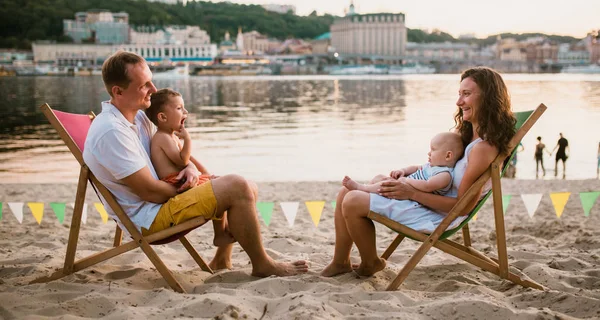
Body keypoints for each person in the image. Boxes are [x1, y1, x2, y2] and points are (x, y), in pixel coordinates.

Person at [83, 51, 308, 277]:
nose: (153, 89)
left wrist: (190, 168)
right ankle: (263, 264)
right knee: (238, 186)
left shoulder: (139, 118)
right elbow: (149, 191)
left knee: (249, 186)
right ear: (118, 91)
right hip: (150, 217)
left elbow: (173, 150)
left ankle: (222, 259)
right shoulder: (112, 132)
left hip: (161, 201)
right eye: (144, 85)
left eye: (151, 80)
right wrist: (188, 187)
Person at [321, 67, 515, 277]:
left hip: (437, 214)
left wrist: (411, 193)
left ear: (488, 98)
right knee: (344, 193)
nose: (459, 102)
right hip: (425, 199)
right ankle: (340, 262)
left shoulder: (482, 149)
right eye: (459, 94)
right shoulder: (465, 136)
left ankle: (371, 263)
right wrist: (408, 178)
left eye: (466, 94)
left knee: (352, 201)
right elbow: (435, 169)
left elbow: (463, 207)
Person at [145, 87, 232, 247]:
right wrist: (188, 140)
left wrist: (202, 171)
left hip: (182, 181)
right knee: (223, 189)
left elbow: (187, 161)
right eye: (179, 108)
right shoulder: (162, 138)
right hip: (176, 183)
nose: (185, 112)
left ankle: (221, 233)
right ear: (163, 117)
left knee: (220, 183)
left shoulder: (170, 136)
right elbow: (182, 161)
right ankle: (220, 234)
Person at [342, 132, 464, 196]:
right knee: (379, 177)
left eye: (433, 150)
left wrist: (407, 181)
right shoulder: (432, 166)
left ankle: (362, 188)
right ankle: (370, 189)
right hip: (404, 184)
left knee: (386, 183)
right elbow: (416, 167)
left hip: (408, 192)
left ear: (448, 156)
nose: (429, 153)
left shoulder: (444, 175)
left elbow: (427, 186)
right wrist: (403, 171)